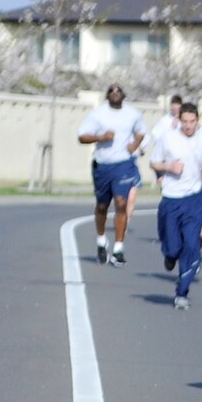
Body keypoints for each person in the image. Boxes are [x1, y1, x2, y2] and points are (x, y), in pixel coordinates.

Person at [145, 102, 202, 309]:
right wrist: (168, 166)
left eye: (192, 122)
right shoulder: (168, 138)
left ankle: (182, 292)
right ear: (179, 120)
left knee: (191, 244)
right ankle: (170, 257)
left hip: (194, 199)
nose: (188, 126)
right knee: (172, 248)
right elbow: (153, 162)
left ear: (198, 120)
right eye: (185, 122)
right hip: (171, 198)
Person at [78, 83, 146, 266]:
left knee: (121, 203)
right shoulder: (97, 114)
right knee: (102, 206)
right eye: (111, 91)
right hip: (102, 165)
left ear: (124, 95)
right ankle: (101, 240)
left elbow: (141, 131)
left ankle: (118, 249)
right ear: (107, 96)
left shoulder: (133, 113)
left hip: (123, 164)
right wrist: (101, 138)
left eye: (118, 91)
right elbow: (82, 136)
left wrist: (135, 144)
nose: (115, 93)